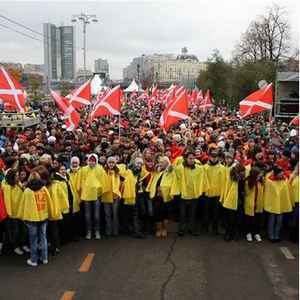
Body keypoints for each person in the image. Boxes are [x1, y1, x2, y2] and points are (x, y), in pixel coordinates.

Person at [17, 172, 53, 266]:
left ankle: (34, 260)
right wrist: (51, 213)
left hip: (31, 218)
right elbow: (49, 202)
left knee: (33, 239)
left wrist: (21, 216)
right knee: (43, 237)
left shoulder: (27, 191)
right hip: (43, 217)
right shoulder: (44, 189)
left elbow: (23, 205)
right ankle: (44, 258)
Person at [176, 152, 208, 236]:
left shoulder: (199, 168)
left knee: (192, 214)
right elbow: (173, 173)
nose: (192, 160)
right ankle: (181, 229)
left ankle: (192, 229)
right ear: (186, 159)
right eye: (190, 158)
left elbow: (204, 172)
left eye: (193, 158)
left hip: (194, 195)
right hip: (183, 195)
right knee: (182, 214)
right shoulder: (179, 168)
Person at [147, 156, 178, 238]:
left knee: (165, 213)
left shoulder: (171, 171)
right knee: (157, 213)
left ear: (167, 163)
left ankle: (164, 229)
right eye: (160, 162)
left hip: (166, 195)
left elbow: (173, 181)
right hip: (157, 196)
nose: (160, 164)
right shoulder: (158, 171)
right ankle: (159, 229)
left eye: (162, 162)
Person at [264, 166, 293, 242]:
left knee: (279, 222)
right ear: (276, 174)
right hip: (273, 205)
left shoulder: (285, 180)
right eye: (280, 174)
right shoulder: (269, 181)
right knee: (272, 221)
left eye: (282, 173)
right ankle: (271, 236)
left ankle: (276, 235)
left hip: (281, 205)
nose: (282, 175)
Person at [122, 157, 149, 238]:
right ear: (134, 163)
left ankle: (138, 230)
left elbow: (146, 184)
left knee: (140, 212)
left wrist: (142, 186)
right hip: (131, 195)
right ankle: (136, 231)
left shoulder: (143, 173)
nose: (139, 165)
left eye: (140, 164)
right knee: (134, 214)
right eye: (137, 163)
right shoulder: (129, 171)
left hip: (140, 195)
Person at [80, 154, 105, 240]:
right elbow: (81, 181)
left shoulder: (100, 168)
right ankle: (89, 231)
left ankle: (97, 231)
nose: (92, 162)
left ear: (96, 161)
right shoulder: (83, 169)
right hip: (87, 195)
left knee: (96, 215)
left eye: (93, 161)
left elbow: (103, 180)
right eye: (90, 161)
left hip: (97, 195)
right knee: (87, 215)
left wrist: (101, 191)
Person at [222, 163, 246, 241]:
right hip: (231, 201)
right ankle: (228, 233)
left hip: (239, 201)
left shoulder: (242, 179)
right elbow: (227, 188)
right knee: (230, 219)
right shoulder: (232, 178)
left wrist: (243, 193)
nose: (244, 173)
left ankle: (234, 234)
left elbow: (242, 189)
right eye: (242, 171)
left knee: (237, 219)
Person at [203, 149, 224, 234]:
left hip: (217, 194)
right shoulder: (204, 167)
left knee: (216, 213)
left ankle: (215, 228)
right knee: (206, 212)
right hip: (207, 194)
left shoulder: (222, 168)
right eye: (212, 156)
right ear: (209, 157)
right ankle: (205, 228)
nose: (214, 158)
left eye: (216, 157)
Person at [102, 157, 122, 237]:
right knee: (107, 215)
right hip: (106, 195)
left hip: (115, 195)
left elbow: (121, 182)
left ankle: (115, 231)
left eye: (112, 163)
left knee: (115, 214)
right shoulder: (104, 171)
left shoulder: (118, 172)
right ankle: (108, 231)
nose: (111, 164)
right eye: (109, 162)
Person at [244, 167, 264, 242]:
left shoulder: (261, 182)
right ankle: (248, 233)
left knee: (258, 219)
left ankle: (257, 233)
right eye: (259, 174)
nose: (260, 175)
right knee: (249, 219)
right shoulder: (248, 181)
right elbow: (247, 193)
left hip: (258, 203)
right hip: (250, 203)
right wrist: (255, 182)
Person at [289, 163, 299, 243]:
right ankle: (293, 237)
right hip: (294, 202)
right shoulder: (293, 176)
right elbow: (288, 186)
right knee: (294, 221)